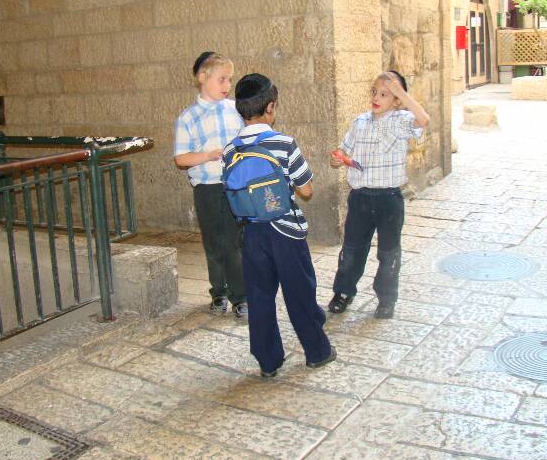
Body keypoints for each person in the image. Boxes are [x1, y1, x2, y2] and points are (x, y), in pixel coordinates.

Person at [223, 73, 335, 377]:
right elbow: (306, 190)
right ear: (270, 107)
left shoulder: (230, 150)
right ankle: (317, 351)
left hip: (251, 233)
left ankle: (268, 361)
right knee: (299, 291)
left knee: (259, 296)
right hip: (286, 232)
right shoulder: (284, 143)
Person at [328, 71, 431, 319]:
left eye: (385, 94)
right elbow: (344, 149)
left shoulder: (401, 120)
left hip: (389, 199)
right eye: (374, 92)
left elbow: (423, 119)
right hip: (361, 198)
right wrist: (337, 158)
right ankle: (343, 292)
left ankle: (386, 298)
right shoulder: (360, 122)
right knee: (352, 249)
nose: (376, 97)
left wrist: (401, 93)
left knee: (388, 252)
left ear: (396, 100)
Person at [174, 52, 247, 318]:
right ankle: (219, 292)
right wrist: (207, 155)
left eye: (229, 79)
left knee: (235, 243)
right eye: (222, 79)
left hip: (235, 186)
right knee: (214, 243)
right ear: (202, 78)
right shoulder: (188, 117)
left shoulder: (236, 110)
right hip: (207, 188)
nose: (227, 85)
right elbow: (181, 158)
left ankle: (241, 297)